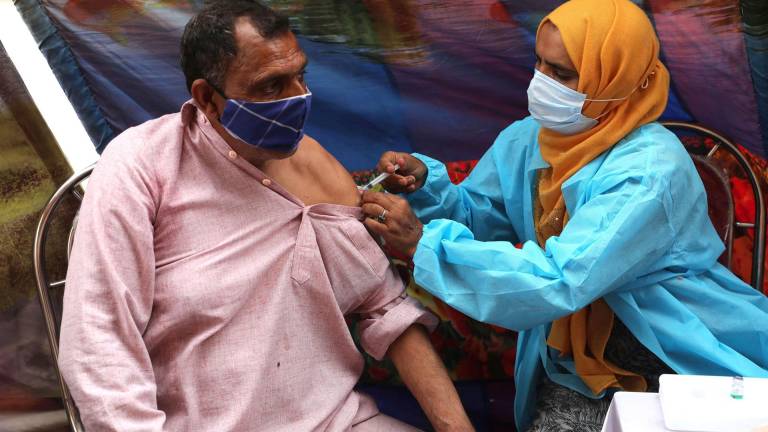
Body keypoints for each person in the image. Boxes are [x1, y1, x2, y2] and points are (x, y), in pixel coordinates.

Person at [58, 1, 474, 431]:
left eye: (300, 76)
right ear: (207, 98)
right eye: (271, 87)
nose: (298, 99)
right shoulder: (143, 166)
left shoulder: (316, 169)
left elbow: (385, 310)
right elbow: (98, 339)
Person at [360, 0, 768, 431]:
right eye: (540, 63)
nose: (542, 82)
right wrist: (426, 185)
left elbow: (561, 278)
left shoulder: (648, 172)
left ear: (615, 76)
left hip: (674, 352)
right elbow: (480, 215)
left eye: (563, 73)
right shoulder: (532, 139)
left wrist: (425, 243)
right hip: (581, 365)